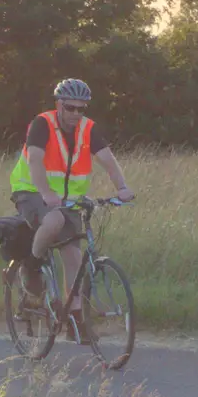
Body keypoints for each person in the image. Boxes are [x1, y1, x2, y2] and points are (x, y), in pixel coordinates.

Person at [8, 78, 134, 336]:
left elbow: (107, 160)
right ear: (59, 105)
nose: (76, 113)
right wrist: (46, 193)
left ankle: (74, 317)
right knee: (53, 221)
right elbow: (35, 160)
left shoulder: (89, 129)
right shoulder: (43, 124)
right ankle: (31, 267)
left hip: (67, 199)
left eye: (81, 108)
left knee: (74, 255)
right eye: (70, 108)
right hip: (31, 191)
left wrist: (122, 187)